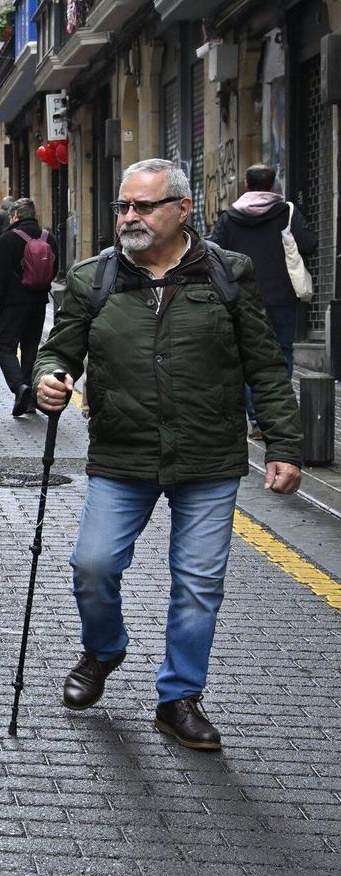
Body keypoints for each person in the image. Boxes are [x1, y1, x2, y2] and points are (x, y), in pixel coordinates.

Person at [34, 159, 302, 752]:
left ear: (183, 209)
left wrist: (283, 444)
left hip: (208, 455)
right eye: (123, 206)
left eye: (144, 206)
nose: (129, 216)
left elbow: (265, 365)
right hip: (123, 452)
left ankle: (179, 697)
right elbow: (58, 351)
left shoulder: (228, 273)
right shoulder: (92, 278)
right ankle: (103, 650)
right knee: (93, 565)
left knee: (199, 583)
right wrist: (50, 379)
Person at [211, 164, 317, 430]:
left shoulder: (229, 217)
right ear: (273, 185)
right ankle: (278, 416)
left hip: (242, 296)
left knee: (246, 355)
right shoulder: (287, 213)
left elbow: (215, 255)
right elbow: (310, 244)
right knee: (282, 352)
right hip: (281, 294)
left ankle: (257, 419)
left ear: (246, 183)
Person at [0, 197, 59, 416]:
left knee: (5, 345)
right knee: (30, 348)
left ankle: (20, 387)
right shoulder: (49, 238)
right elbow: (54, 269)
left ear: (15, 215)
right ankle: (29, 400)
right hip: (38, 303)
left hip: (13, 303)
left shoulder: (8, 239)